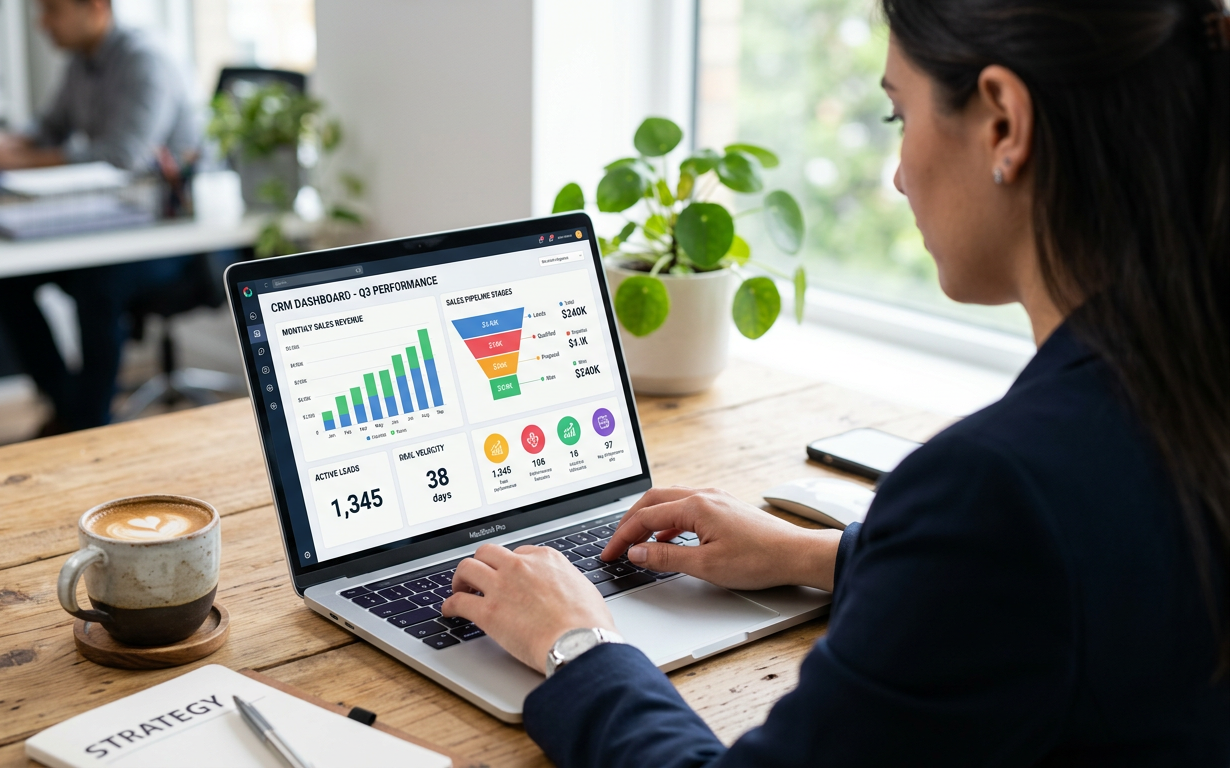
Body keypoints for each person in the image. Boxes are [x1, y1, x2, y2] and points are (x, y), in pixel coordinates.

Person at [440, 0, 1230, 764]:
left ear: (1003, 123)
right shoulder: (1180, 392)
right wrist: (820, 554)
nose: (898, 175)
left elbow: (1015, 549)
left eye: (901, 115)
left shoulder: (997, 487)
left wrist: (578, 643)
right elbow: (1070, 580)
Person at [0, 0, 200, 434]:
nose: (42, 23)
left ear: (95, 8)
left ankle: (91, 423)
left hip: (174, 234)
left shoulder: (145, 61)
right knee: (3, 277)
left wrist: (17, 161)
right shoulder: (81, 63)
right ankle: (70, 406)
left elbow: (122, 156)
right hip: (111, 225)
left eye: (52, 10)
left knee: (99, 285)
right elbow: (45, 130)